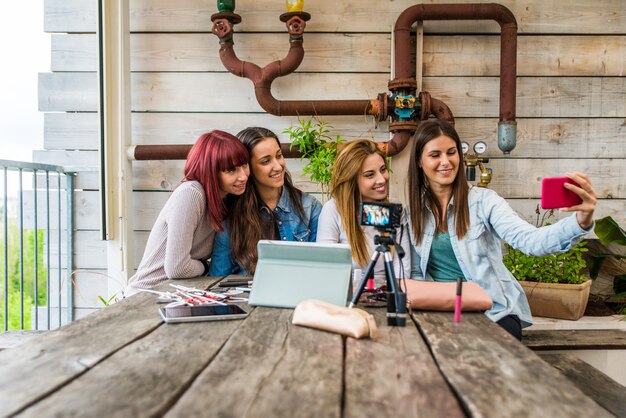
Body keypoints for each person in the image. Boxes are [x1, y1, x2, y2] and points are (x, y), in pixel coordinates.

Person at [406, 119, 597, 340]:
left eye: (451, 152)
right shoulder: (412, 214)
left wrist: (580, 222)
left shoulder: (484, 202)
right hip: (441, 312)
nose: (446, 161)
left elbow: (529, 240)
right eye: (435, 155)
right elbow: (415, 274)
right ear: (419, 161)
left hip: (492, 312)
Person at [127, 130, 250, 292]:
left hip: (178, 294)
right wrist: (206, 267)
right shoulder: (191, 193)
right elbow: (177, 268)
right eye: (231, 170)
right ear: (210, 171)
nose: (243, 176)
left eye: (244, 165)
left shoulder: (226, 199)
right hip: (147, 294)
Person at [209, 127, 322, 275]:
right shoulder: (231, 218)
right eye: (266, 161)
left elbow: (321, 268)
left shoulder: (310, 207)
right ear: (246, 167)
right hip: (247, 297)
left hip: (301, 296)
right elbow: (217, 278)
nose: (278, 166)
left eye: (279, 155)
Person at [317, 140, 411, 285]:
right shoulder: (333, 209)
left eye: (383, 169)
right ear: (351, 179)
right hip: (346, 296)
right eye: (369, 175)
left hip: (385, 296)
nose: (381, 179)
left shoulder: (393, 209)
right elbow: (326, 269)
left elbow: (402, 270)